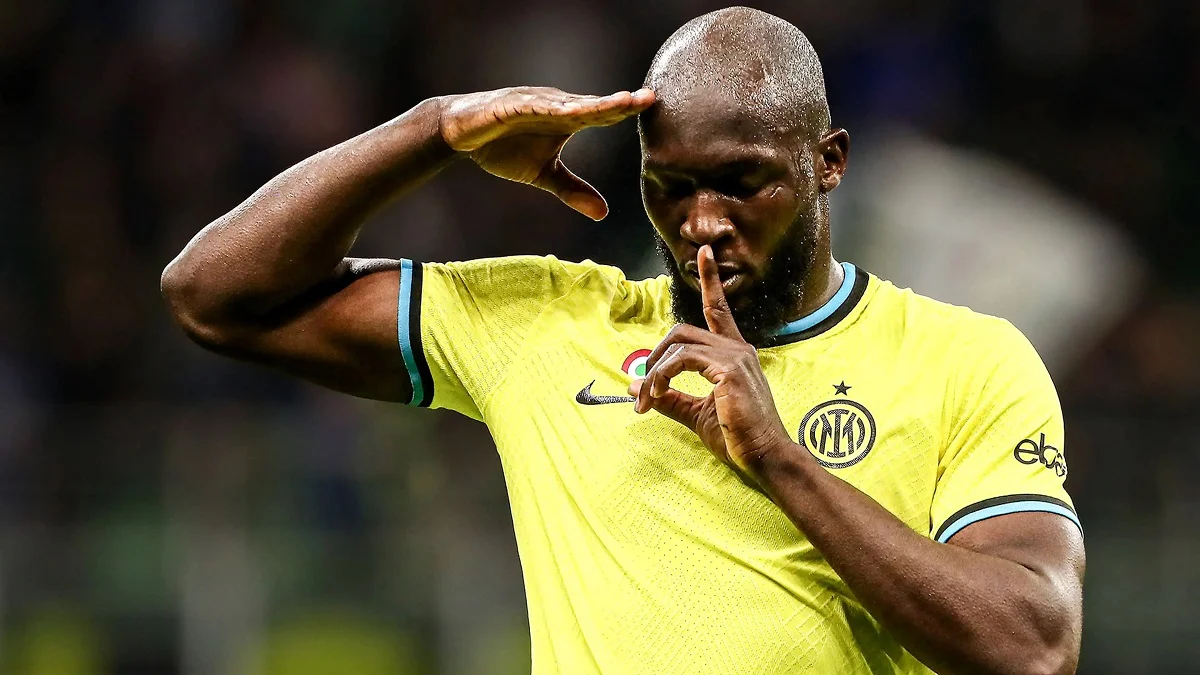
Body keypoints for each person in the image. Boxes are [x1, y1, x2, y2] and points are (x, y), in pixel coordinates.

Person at [162, 7, 1084, 675]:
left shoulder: (967, 360)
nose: (702, 222)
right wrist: (432, 130)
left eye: (742, 182)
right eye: (670, 186)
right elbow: (214, 297)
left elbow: (1033, 647)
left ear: (828, 162)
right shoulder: (548, 322)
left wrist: (778, 458)